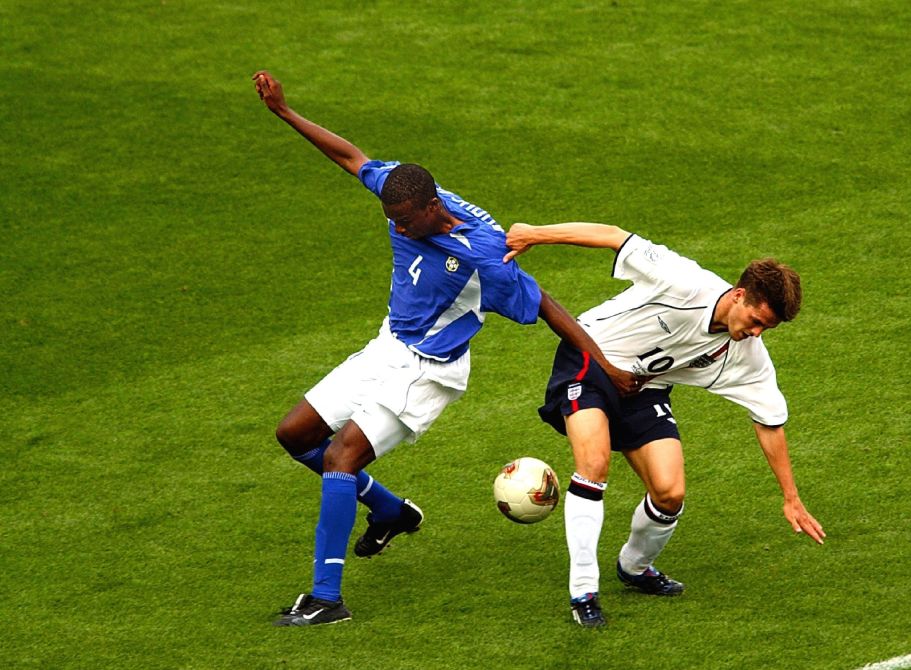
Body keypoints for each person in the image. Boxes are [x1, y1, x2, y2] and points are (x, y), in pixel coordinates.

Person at [251, 72, 637, 626]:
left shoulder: (486, 254)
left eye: (404, 221)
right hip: (388, 346)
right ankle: (388, 511)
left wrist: (608, 367)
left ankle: (325, 598)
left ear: (432, 207)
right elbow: (352, 158)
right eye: (392, 219)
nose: (398, 229)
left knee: (341, 458)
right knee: (295, 435)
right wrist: (284, 113)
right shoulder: (401, 190)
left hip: (429, 371)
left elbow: (549, 305)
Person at [503, 221, 826, 628]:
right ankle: (583, 590)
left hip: (644, 388)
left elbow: (769, 422)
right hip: (588, 360)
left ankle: (634, 567)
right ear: (740, 295)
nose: (756, 333)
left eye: (767, 328)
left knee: (670, 493)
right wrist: (534, 233)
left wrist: (791, 497)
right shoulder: (683, 281)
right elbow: (614, 236)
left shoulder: (748, 355)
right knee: (594, 465)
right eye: (756, 320)